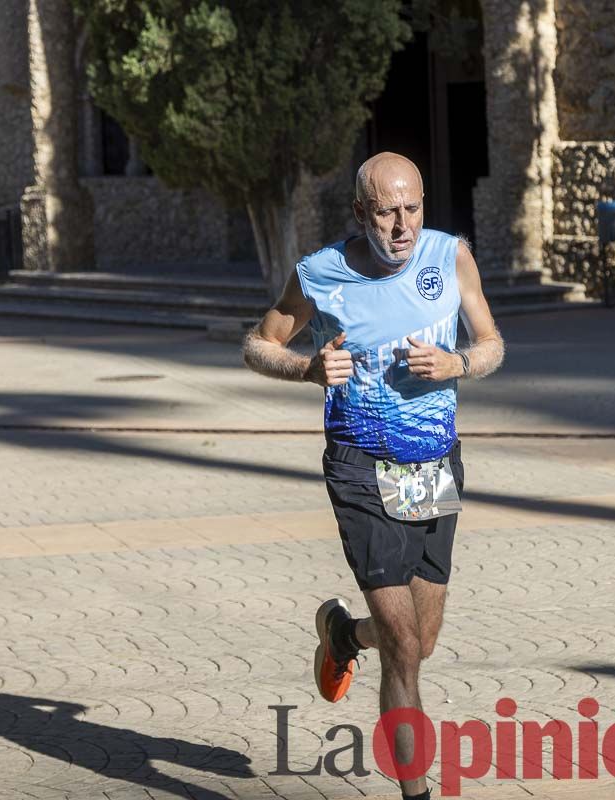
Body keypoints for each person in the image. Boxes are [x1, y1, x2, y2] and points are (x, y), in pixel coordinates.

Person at [242, 152, 504, 800]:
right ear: (360, 214)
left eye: (412, 208)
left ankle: (341, 634)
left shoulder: (450, 257)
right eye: (386, 212)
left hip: (431, 464)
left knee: (421, 642)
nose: (402, 226)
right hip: (360, 466)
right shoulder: (321, 274)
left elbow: (492, 341)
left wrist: (458, 365)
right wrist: (304, 369)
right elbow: (258, 343)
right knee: (402, 639)